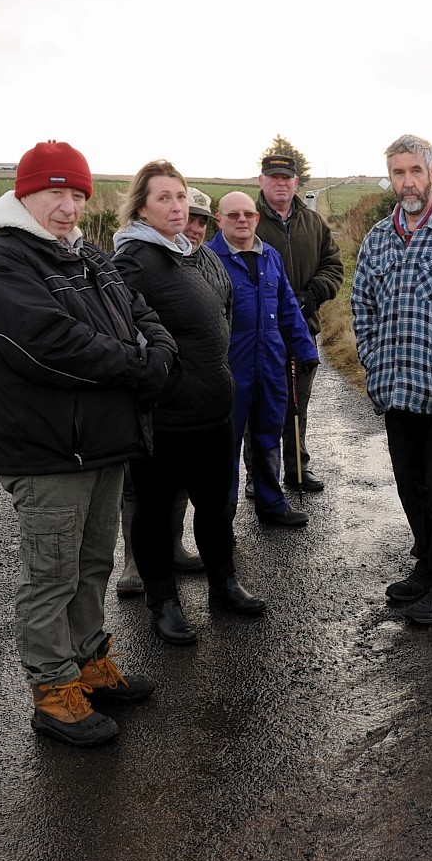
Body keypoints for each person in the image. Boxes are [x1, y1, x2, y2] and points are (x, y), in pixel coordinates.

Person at [0, 140, 173, 746]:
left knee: (91, 563)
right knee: (50, 574)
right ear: (24, 194)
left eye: (77, 194)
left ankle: (87, 663)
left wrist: (157, 351)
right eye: (54, 192)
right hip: (49, 449)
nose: (68, 206)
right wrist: (141, 366)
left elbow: (142, 312)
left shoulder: (89, 257)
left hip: (104, 444)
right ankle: (52, 690)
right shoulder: (1, 263)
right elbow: (48, 344)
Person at [115, 160, 267, 645]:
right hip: (166, 416)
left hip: (214, 409)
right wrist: (159, 378)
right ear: (141, 206)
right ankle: (164, 603)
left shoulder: (191, 253)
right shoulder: (134, 259)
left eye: (180, 197)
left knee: (216, 505)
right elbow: (121, 332)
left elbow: (220, 312)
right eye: (164, 198)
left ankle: (223, 585)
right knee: (156, 512)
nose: (177, 207)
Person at [349, 134, 432, 624]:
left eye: (414, 172)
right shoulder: (379, 237)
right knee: (410, 485)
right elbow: (361, 302)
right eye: (398, 173)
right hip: (394, 388)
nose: (407, 182)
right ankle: (426, 565)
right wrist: (370, 355)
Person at [116, 187, 213, 596]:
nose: (192, 225)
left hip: (188, 388)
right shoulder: (133, 259)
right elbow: (123, 320)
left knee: (177, 482)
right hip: (150, 387)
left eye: (201, 220)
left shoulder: (195, 259)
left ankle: (172, 549)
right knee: (140, 485)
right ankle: (134, 563)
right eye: (185, 215)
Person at [208, 191, 318, 528]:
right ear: (219, 221)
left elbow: (287, 307)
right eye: (233, 215)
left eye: (248, 214)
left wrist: (305, 349)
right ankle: (220, 518)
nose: (242, 220)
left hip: (271, 363)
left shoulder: (270, 256)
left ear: (256, 218)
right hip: (229, 368)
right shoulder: (209, 259)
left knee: (269, 435)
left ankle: (271, 504)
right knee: (224, 447)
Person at [253, 153, 344, 493]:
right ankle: (259, 477)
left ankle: (297, 471)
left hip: (303, 329)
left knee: (296, 405)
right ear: (262, 181)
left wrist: (313, 293)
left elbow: (333, 267)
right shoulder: (249, 220)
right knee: (260, 409)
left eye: (286, 178)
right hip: (260, 335)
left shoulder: (314, 224)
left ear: (296, 182)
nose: (281, 183)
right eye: (273, 177)